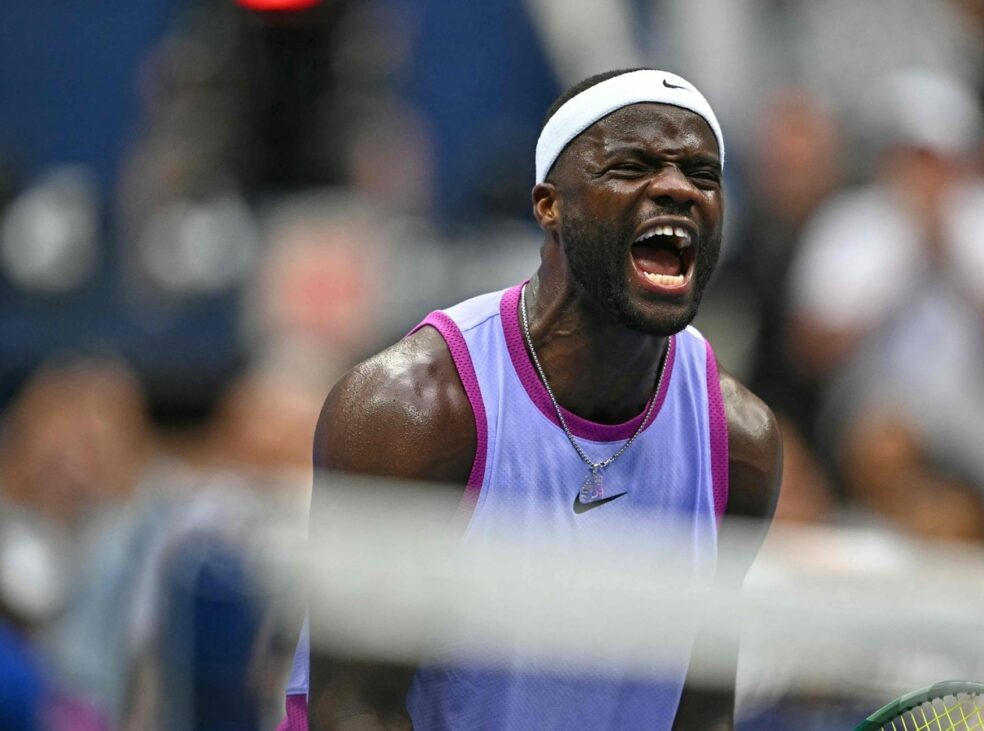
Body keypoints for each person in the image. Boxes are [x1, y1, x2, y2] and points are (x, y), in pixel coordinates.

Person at [279, 68, 782, 730]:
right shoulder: (409, 412)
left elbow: (702, 710)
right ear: (550, 205)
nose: (676, 189)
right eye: (633, 166)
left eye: (702, 174)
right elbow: (353, 707)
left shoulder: (739, 444)